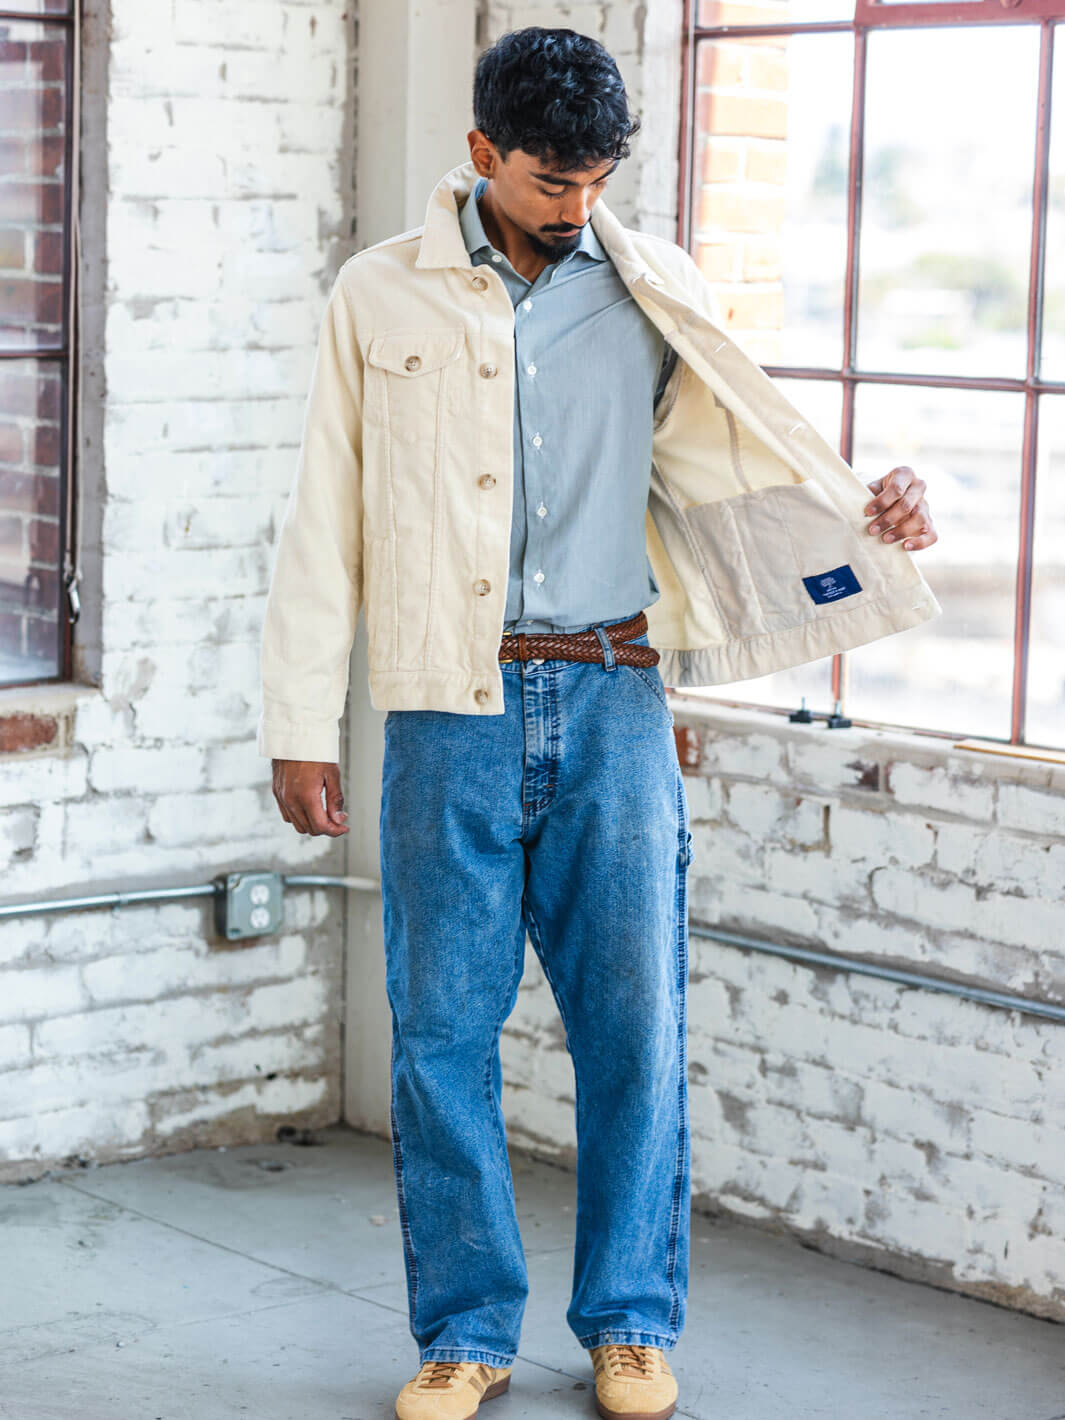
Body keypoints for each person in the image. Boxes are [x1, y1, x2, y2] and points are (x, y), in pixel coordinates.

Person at [257, 27, 939, 1420]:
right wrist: (298, 724)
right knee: (440, 1032)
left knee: (632, 1030)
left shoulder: (643, 286)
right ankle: (464, 1330)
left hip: (617, 694)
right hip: (447, 705)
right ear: (479, 154)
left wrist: (866, 507)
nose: (575, 204)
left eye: (594, 178)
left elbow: (729, 468)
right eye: (548, 179)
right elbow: (322, 516)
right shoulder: (378, 296)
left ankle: (629, 1321)